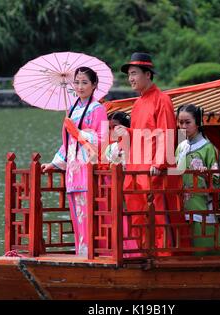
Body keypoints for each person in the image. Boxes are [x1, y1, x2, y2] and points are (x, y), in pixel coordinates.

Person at [115, 53, 188, 255]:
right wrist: (126, 133)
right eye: (129, 74)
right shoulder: (138, 103)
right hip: (137, 168)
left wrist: (160, 163)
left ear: (148, 74)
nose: (130, 78)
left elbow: (167, 132)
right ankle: (143, 251)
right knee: (138, 213)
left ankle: (164, 254)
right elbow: (140, 135)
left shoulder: (162, 100)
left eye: (134, 74)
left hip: (154, 170)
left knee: (157, 213)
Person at [41, 66, 108, 258]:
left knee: (88, 213)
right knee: (76, 214)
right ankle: (81, 252)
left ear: (94, 85)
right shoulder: (71, 110)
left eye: (85, 82)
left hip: (88, 168)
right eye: (77, 82)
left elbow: (103, 140)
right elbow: (67, 144)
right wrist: (54, 163)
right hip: (72, 169)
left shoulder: (98, 109)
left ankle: (92, 253)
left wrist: (78, 132)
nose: (80, 86)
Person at [175, 104, 220, 255]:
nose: (183, 126)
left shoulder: (208, 147)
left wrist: (206, 174)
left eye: (187, 122)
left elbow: (217, 179)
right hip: (181, 202)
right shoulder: (181, 146)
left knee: (204, 242)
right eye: (180, 122)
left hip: (200, 202)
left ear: (198, 122)